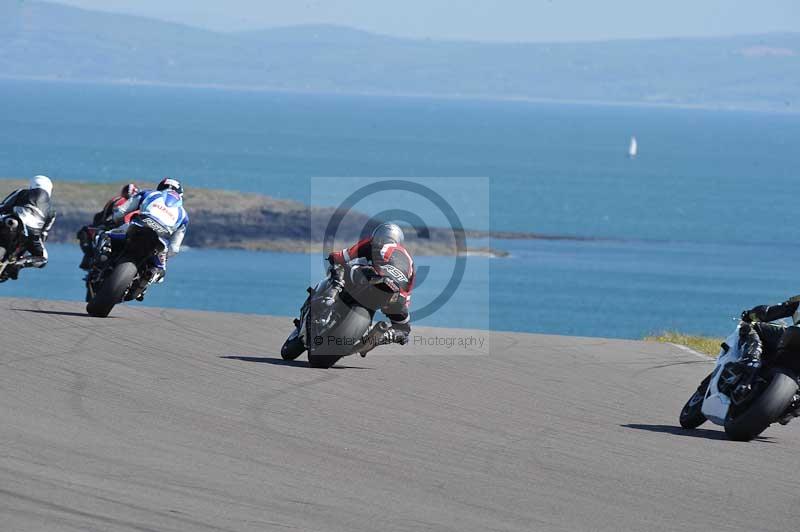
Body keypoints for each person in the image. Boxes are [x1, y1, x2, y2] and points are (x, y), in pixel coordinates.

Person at [322, 222, 415, 345]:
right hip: (396, 294)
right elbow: (407, 294)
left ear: (380, 234)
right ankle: (384, 336)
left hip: (374, 278)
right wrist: (401, 305)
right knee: (403, 329)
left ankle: (331, 297)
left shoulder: (376, 242)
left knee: (343, 267)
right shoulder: (411, 262)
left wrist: (333, 257)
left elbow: (344, 256)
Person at [111, 177, 188, 282]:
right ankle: (152, 275)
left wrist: (115, 219)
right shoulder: (184, 215)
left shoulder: (148, 193)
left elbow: (121, 211)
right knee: (160, 273)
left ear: (160, 187)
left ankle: (105, 252)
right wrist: (166, 256)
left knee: (107, 235)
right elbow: (174, 248)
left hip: (141, 223)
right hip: (161, 235)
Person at [0, 175, 56, 280]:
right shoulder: (52, 212)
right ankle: (20, 264)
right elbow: (44, 234)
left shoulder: (21, 192)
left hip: (11, 221)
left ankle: (15, 263)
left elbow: (3, 206)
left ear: (32, 185)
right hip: (32, 233)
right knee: (43, 259)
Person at [77, 183, 139, 270]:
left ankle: (90, 257)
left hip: (122, 230)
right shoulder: (136, 203)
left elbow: (102, 216)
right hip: (127, 231)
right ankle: (92, 257)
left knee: (86, 232)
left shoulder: (119, 200)